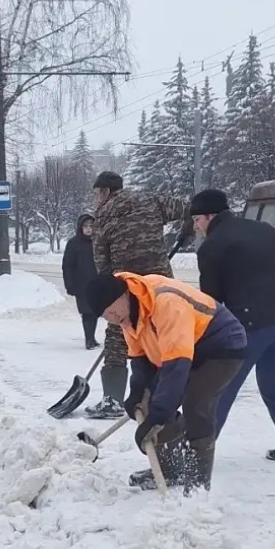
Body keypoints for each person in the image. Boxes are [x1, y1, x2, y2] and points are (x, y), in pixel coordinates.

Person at [83, 271, 246, 491]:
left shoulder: (165, 303)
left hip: (221, 344)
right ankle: (171, 471)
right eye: (105, 315)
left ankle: (197, 485)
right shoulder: (126, 315)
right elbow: (141, 361)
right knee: (151, 402)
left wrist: (160, 414)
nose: (111, 317)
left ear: (123, 294)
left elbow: (176, 367)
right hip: (183, 349)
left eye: (110, 308)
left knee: (196, 405)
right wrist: (138, 393)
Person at [189, 189, 275, 463]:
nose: (196, 227)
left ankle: (196, 456)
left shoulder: (212, 247)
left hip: (247, 325)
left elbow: (211, 302)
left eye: (197, 220)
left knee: (219, 388)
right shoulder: (261, 229)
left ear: (210, 216)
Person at [88, 171, 191, 419]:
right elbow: (190, 208)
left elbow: (102, 263)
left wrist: (108, 289)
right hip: (161, 286)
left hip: (124, 288)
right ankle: (166, 393)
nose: (96, 199)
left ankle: (112, 399)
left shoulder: (102, 216)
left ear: (105, 191)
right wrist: (185, 233)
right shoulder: (151, 199)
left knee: (117, 335)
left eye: (96, 193)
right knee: (165, 333)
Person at [61, 213, 100, 349]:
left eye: (91, 226)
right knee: (87, 311)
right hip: (81, 284)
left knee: (95, 311)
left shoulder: (98, 241)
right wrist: (69, 284)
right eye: (86, 226)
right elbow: (67, 265)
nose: (89, 229)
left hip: (97, 283)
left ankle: (92, 338)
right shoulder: (74, 243)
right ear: (80, 228)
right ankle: (89, 339)